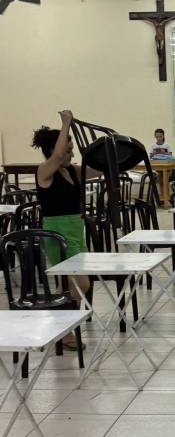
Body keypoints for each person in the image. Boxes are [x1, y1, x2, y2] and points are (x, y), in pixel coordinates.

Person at [32, 110, 90, 346]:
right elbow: (57, 156)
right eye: (68, 149)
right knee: (80, 283)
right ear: (53, 149)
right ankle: (64, 329)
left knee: (66, 284)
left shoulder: (71, 171)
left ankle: (61, 328)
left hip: (75, 229)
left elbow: (100, 168)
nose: (71, 154)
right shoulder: (44, 171)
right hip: (57, 233)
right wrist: (66, 123)